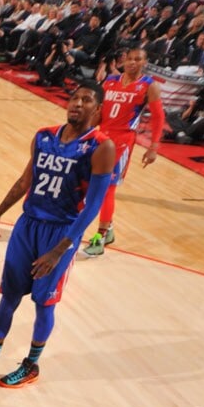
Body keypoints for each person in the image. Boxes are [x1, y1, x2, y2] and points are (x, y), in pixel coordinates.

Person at [0, 84, 116, 391]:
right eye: (74, 97)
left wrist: (60, 250)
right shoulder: (43, 136)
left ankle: (30, 364)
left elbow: (93, 206)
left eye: (86, 100)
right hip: (28, 225)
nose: (77, 103)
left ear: (98, 109)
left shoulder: (101, 146)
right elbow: (26, 179)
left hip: (62, 232)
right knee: (8, 296)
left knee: (43, 303)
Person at [84, 46, 163, 256]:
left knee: (107, 189)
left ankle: (99, 238)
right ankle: (108, 228)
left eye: (138, 59)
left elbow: (158, 117)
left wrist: (154, 147)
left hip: (123, 141)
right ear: (123, 60)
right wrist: (85, 132)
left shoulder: (148, 86)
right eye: (129, 58)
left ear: (144, 63)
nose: (132, 62)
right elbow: (99, 112)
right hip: (102, 137)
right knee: (89, 184)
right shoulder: (109, 81)